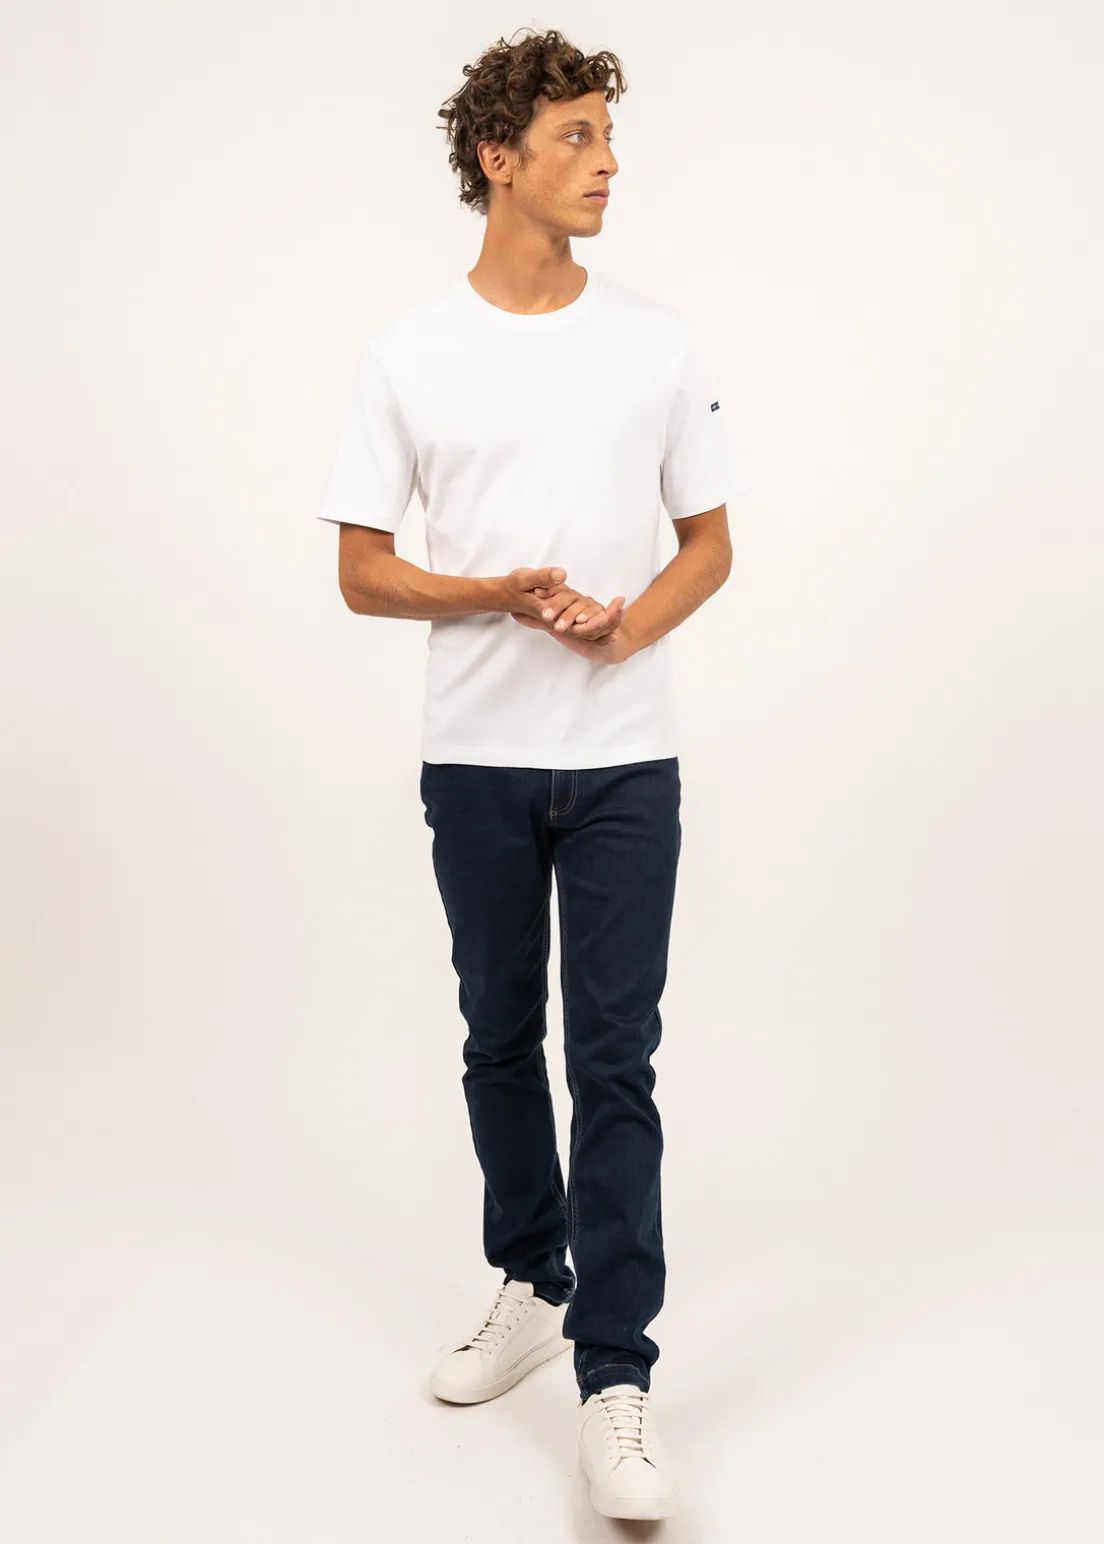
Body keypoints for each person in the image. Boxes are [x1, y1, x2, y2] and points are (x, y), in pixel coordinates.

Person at [315, 27, 746, 1522]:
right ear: (498, 159)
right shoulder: (410, 354)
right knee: (499, 1040)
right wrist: (494, 594)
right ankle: (532, 1280)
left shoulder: (656, 344)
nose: (608, 162)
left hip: (624, 763)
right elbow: (364, 573)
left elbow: (710, 547)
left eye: (608, 136)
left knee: (613, 1060)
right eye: (577, 137)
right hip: (478, 762)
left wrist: (624, 629)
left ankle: (617, 1376)